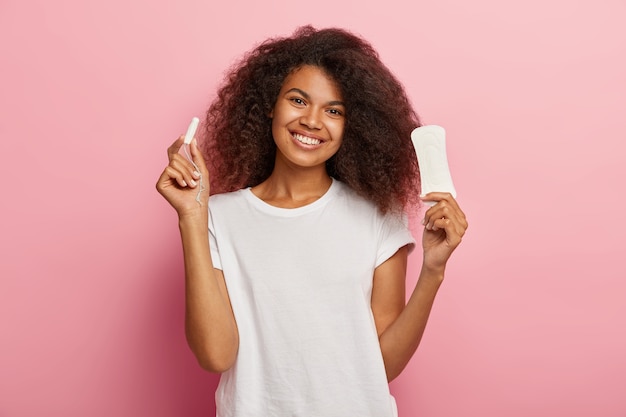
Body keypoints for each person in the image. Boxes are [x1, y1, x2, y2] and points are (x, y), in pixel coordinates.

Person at [156, 25, 468, 417]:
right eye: (298, 100)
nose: (313, 121)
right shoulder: (218, 216)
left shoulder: (377, 215)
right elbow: (216, 355)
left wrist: (433, 273)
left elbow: (380, 367)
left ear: (351, 125)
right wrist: (191, 216)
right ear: (271, 104)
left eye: (334, 110)